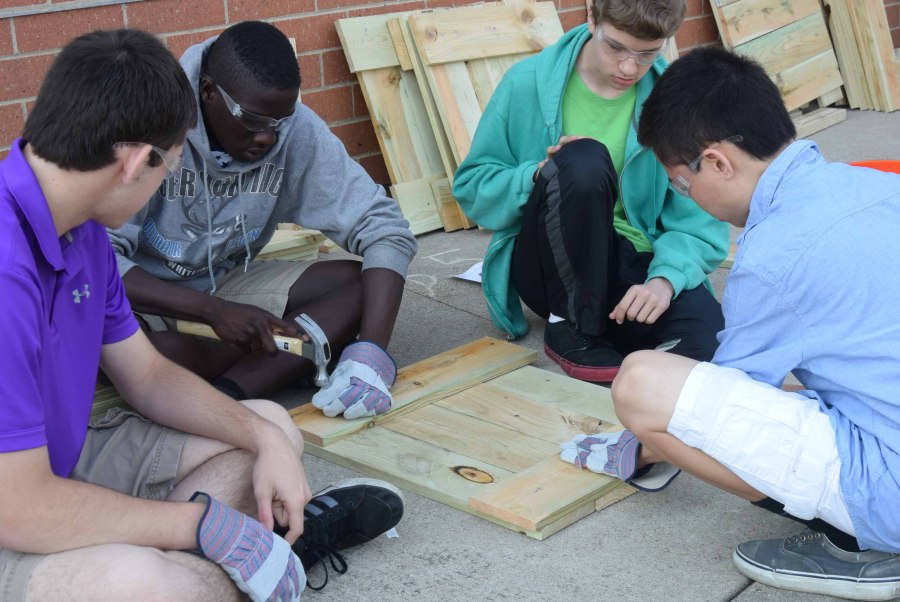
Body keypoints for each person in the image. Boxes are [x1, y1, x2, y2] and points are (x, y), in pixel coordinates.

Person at [0, 28, 403, 602]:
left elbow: (147, 376)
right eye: (167, 170)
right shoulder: (5, 266)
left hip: (60, 462)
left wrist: (259, 434)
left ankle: (238, 558)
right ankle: (263, 554)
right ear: (137, 162)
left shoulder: (84, 225)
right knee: (145, 586)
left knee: (273, 431)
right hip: (17, 504)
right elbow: (19, 508)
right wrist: (202, 526)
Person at [566, 46, 900, 600]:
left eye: (680, 182)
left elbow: (728, 408)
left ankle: (863, 544)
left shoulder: (773, 256)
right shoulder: (875, 185)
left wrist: (636, 449)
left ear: (718, 162)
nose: (687, 196)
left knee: (644, 385)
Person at [107, 21, 417, 419]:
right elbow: (94, 263)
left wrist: (370, 353)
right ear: (208, 93)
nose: (268, 138)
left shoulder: (293, 127)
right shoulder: (152, 119)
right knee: (127, 345)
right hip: (144, 294)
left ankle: (230, 393)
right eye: (254, 121)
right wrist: (212, 312)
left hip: (227, 281)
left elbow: (385, 227)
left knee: (361, 285)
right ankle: (288, 360)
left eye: (278, 123)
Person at [452, 0, 729, 383]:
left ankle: (611, 325)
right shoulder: (526, 82)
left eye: (648, 53)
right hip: (548, 262)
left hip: (630, 256)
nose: (629, 68)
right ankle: (570, 322)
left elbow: (698, 220)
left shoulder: (675, 104)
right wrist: (538, 174)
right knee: (582, 159)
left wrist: (663, 281)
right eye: (615, 47)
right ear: (591, 19)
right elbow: (471, 187)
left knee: (708, 341)